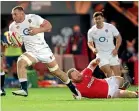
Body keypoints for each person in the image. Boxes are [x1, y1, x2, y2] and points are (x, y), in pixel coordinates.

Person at [7, 6, 81, 99]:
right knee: (21, 62)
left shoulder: (34, 18)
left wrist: (37, 30)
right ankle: (24, 89)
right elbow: (15, 43)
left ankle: (74, 89)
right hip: (31, 52)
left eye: (15, 14)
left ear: (22, 13)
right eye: (12, 15)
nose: (13, 16)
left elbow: (49, 26)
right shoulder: (12, 26)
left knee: (56, 72)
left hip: (44, 51)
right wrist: (14, 43)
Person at [67, 58, 138, 99]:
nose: (79, 75)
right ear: (72, 80)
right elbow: (76, 95)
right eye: (76, 75)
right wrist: (76, 96)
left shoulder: (84, 73)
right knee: (131, 95)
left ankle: (122, 88)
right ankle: (134, 93)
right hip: (109, 93)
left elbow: (91, 65)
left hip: (108, 82)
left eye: (77, 73)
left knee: (121, 79)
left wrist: (96, 61)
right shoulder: (77, 88)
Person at [87, 12, 122, 77]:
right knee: (108, 73)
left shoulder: (110, 27)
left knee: (118, 75)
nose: (98, 20)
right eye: (96, 19)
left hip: (112, 52)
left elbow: (118, 37)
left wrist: (116, 49)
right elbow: (89, 43)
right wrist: (93, 49)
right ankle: (111, 85)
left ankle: (116, 86)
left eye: (99, 18)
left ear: (103, 19)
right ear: (94, 20)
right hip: (101, 54)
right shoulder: (91, 31)